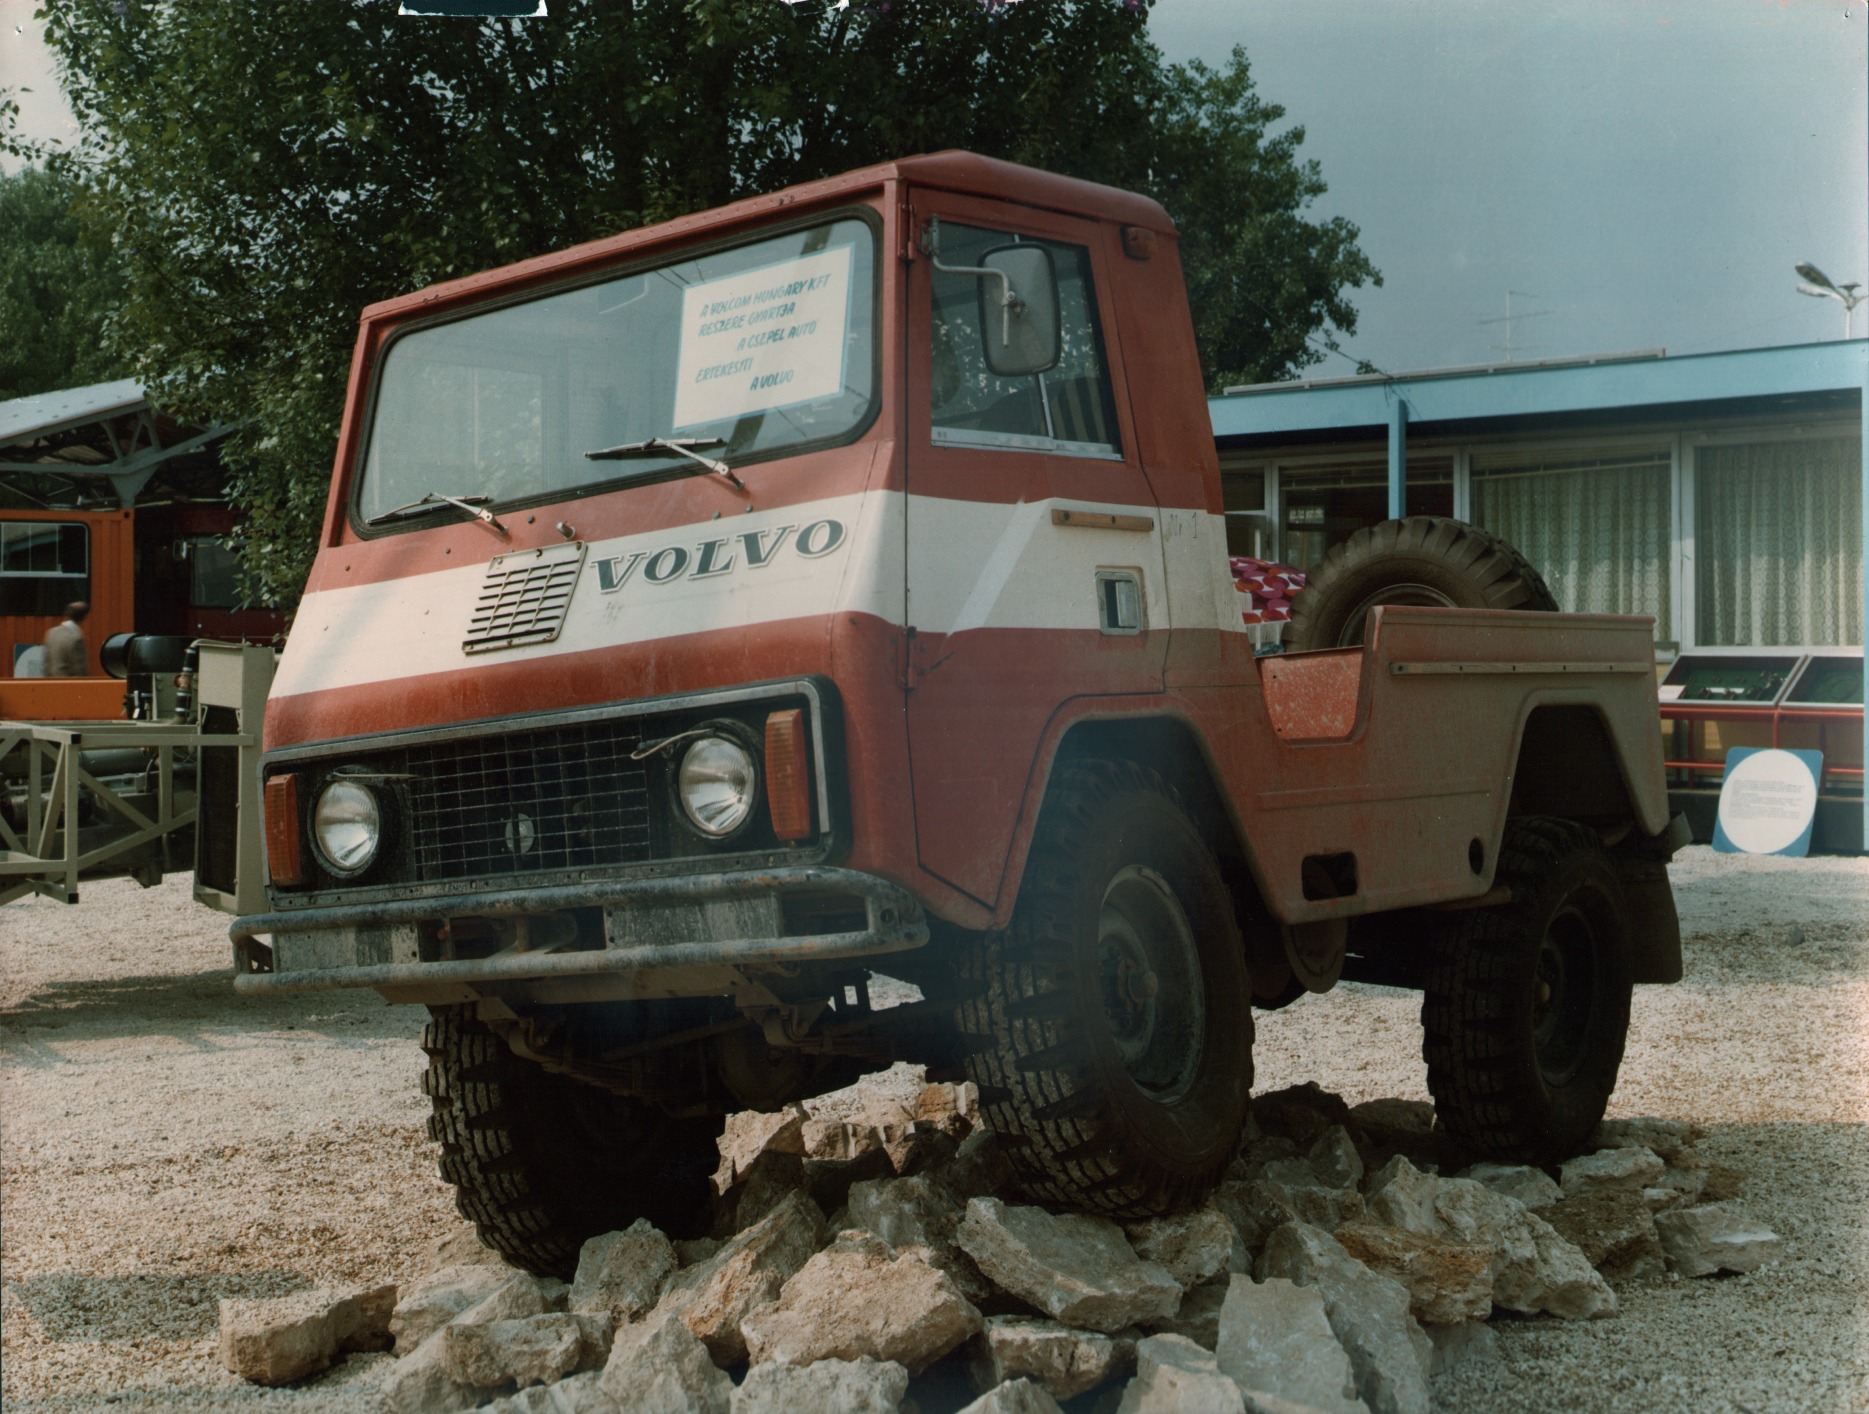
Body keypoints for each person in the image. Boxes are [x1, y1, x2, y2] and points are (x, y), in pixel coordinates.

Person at [44, 601, 90, 677]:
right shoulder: (76, 638)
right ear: (84, 617)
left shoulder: (51, 633)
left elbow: (46, 664)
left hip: (51, 683)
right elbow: (80, 670)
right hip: (69, 685)